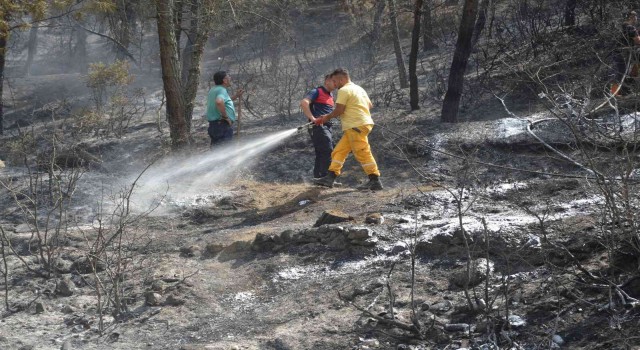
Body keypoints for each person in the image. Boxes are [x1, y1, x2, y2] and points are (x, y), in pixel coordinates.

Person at [313, 68, 383, 191]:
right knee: (339, 151)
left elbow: (339, 110)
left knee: (363, 152)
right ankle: (330, 178)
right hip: (358, 125)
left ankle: (375, 180)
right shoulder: (359, 89)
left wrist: (325, 118)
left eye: (335, 81)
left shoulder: (344, 90)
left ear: (342, 79)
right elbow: (369, 105)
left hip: (355, 126)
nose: (334, 84)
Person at [300, 74, 336, 179]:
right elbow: (304, 102)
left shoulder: (331, 95)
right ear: (327, 81)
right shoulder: (317, 91)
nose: (335, 84)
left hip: (327, 127)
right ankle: (325, 177)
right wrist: (313, 118)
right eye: (333, 81)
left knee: (322, 152)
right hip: (319, 126)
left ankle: (319, 178)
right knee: (327, 149)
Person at [206, 71, 243, 146]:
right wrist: (225, 117)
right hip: (222, 125)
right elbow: (219, 102)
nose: (230, 78)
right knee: (225, 150)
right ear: (224, 80)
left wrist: (236, 96)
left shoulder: (213, 90)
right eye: (229, 77)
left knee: (217, 150)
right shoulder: (221, 90)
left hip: (214, 126)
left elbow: (223, 102)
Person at [613, 10, 640, 96]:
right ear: (631, 17)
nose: (637, 19)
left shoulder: (621, 27)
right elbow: (638, 40)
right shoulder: (630, 27)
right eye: (635, 17)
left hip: (617, 53)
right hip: (623, 53)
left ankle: (617, 93)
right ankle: (618, 94)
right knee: (623, 74)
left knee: (620, 73)